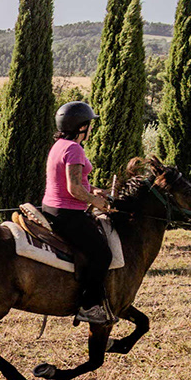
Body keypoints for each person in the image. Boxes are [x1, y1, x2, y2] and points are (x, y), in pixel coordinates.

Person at [43, 102, 115, 325]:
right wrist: (97, 202)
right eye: (90, 124)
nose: (91, 128)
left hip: (53, 208)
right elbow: (74, 189)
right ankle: (89, 306)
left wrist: (94, 190)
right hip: (67, 214)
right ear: (81, 126)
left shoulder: (60, 145)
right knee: (103, 255)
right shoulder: (75, 149)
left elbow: (72, 182)